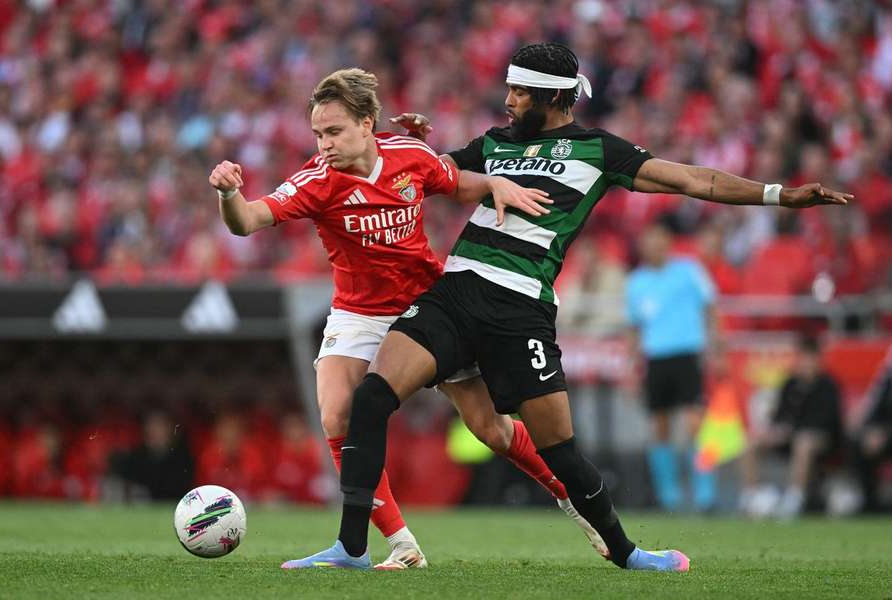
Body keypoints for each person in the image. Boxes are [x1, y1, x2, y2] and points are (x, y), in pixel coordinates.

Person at [287, 43, 851, 571]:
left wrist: (780, 195)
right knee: (370, 399)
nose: (508, 101)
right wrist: (398, 142)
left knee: (559, 449)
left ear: (554, 97)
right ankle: (352, 548)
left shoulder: (600, 150)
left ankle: (626, 551)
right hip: (454, 292)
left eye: (519, 92)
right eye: (508, 90)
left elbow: (693, 180)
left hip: (521, 308)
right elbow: (420, 175)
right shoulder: (494, 142)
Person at [208, 68, 608, 570]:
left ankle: (571, 498)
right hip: (359, 312)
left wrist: (493, 184)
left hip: (428, 307)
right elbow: (248, 221)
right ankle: (400, 545)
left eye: (334, 131)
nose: (324, 144)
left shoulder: (408, 156)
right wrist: (229, 195)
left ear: (367, 124)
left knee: (492, 430)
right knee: (337, 414)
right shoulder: (316, 181)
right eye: (317, 134)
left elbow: (455, 182)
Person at [626, 222, 718, 512]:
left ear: (668, 243)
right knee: (661, 426)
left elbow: (711, 308)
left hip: (687, 353)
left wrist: (718, 348)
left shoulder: (689, 271)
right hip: (656, 358)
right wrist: (631, 366)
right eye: (649, 242)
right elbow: (634, 328)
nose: (655, 247)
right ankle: (669, 496)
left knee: (695, 423)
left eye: (659, 241)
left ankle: (705, 493)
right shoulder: (636, 282)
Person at [740, 336, 844, 519]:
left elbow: (827, 421)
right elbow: (780, 415)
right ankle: (751, 495)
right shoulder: (790, 383)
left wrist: (790, 430)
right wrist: (775, 430)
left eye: (810, 358)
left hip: (823, 440)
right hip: (789, 437)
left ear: (818, 359)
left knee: (804, 442)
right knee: (750, 442)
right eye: (803, 358)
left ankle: (794, 499)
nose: (806, 363)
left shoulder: (829, 385)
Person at [851, 353, 892, 513]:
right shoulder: (887, 378)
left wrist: (885, 432)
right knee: (857, 441)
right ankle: (870, 500)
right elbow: (876, 406)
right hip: (882, 434)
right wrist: (870, 429)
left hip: (887, 433)